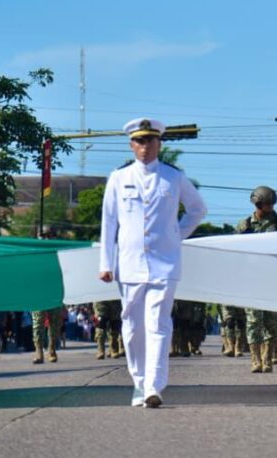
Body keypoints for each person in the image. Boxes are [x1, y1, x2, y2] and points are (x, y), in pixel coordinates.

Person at [99, 118, 208, 408]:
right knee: (132, 326)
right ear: (131, 144)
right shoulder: (119, 178)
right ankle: (138, 382)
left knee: (158, 323)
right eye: (139, 141)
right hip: (130, 263)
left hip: (165, 263)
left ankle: (154, 386)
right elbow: (109, 222)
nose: (144, 147)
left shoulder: (173, 177)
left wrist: (176, 234)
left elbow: (198, 209)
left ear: (159, 143)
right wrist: (105, 262)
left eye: (150, 141)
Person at [236, 185, 277, 373]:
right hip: (251, 280)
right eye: (264, 205)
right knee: (253, 322)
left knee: (273, 322)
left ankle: (268, 357)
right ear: (257, 204)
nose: (268, 208)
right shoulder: (245, 226)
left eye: (270, 204)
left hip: (274, 280)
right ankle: (255, 359)